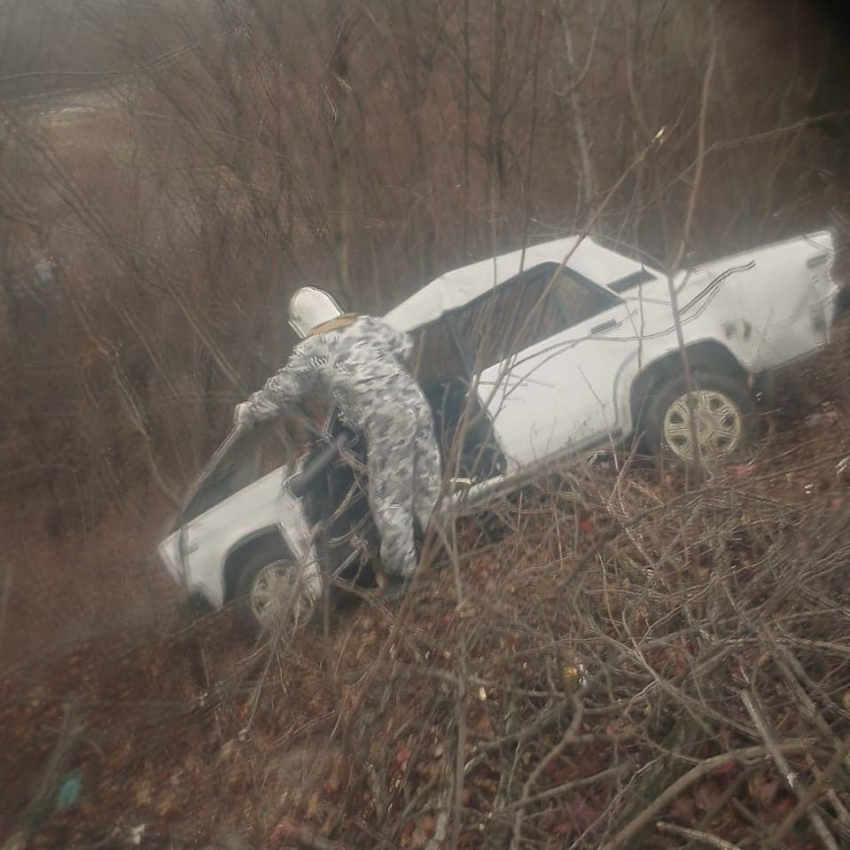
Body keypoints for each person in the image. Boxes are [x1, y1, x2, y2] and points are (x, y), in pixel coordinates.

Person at [234, 286, 442, 586]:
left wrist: (248, 411)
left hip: (384, 418)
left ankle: (404, 576)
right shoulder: (367, 324)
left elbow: (283, 389)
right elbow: (404, 346)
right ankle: (442, 546)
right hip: (415, 402)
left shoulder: (314, 348)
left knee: (390, 497)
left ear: (301, 323)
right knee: (427, 482)